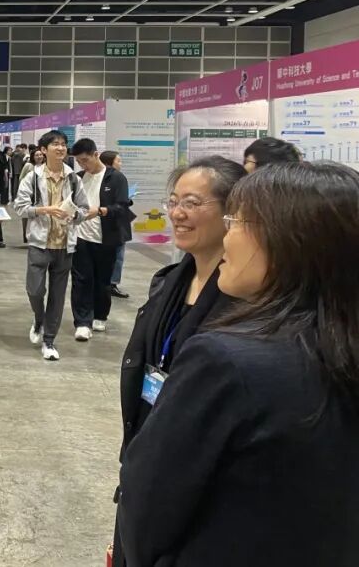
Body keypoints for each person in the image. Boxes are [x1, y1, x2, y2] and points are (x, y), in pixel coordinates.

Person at [117, 162, 359, 566]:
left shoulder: (227, 360)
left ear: (288, 241)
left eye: (238, 221)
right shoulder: (335, 347)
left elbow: (149, 504)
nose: (229, 237)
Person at [110, 155, 246, 567]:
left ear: (232, 213)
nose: (177, 214)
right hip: (147, 452)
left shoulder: (245, 300)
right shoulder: (169, 281)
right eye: (173, 201)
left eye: (192, 202)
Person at [13, 131, 89, 360]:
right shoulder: (32, 178)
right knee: (35, 290)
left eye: (63, 144)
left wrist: (73, 215)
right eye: (55, 144)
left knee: (57, 295)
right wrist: (45, 210)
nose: (61, 148)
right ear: (43, 150)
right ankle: (39, 319)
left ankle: (49, 341)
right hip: (39, 243)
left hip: (65, 245)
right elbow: (19, 207)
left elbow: (84, 209)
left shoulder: (74, 179)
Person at [70, 138, 129, 340]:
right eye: (79, 161)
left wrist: (101, 211)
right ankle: (82, 322)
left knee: (102, 280)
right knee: (81, 280)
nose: (83, 165)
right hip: (80, 237)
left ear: (96, 155)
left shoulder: (116, 178)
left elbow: (122, 207)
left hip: (106, 238)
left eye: (85, 160)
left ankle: (100, 315)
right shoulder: (77, 178)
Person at [100, 151, 132, 299]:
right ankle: (112, 284)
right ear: (109, 162)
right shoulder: (118, 177)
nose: (120, 164)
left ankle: (108, 282)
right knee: (118, 255)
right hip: (114, 223)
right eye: (118, 161)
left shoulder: (110, 177)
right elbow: (119, 202)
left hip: (108, 220)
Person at [18, 148, 45, 244]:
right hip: (30, 195)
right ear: (33, 157)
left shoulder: (46, 167)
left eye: (41, 155)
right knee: (27, 216)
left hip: (40, 196)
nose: (39, 157)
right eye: (37, 155)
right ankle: (27, 237)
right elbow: (21, 178)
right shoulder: (28, 165)